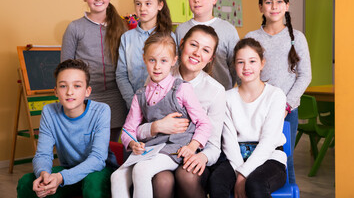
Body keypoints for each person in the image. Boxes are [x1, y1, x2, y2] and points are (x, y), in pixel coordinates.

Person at [111, 32, 211, 198]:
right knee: (116, 177)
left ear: (173, 61)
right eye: (152, 60)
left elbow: (204, 123)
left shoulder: (181, 89)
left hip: (174, 150)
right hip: (150, 150)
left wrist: (192, 146)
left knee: (142, 170)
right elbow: (128, 130)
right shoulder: (140, 94)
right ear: (144, 59)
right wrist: (132, 144)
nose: (157, 66)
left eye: (163, 61)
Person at [137, 25, 226, 198]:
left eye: (205, 50)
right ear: (182, 44)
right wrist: (157, 126)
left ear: (210, 58)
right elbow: (139, 128)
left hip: (195, 154)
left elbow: (214, 145)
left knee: (187, 175)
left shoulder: (216, 91)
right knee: (162, 180)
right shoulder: (159, 74)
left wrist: (203, 157)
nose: (197, 53)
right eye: (193, 45)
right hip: (161, 151)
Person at [17, 59, 117, 198]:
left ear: (87, 91)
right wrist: (44, 174)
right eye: (63, 86)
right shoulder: (49, 112)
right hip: (68, 170)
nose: (69, 92)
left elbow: (98, 159)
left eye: (77, 86)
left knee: (93, 185)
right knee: (26, 182)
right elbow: (43, 155)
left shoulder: (101, 111)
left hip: (98, 171)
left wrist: (61, 177)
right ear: (56, 91)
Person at [245, 0, 312, 184]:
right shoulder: (251, 37)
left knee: (284, 159)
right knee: (256, 158)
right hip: (257, 110)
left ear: (287, 6)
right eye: (268, 2)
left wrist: (286, 105)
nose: (274, 6)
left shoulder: (296, 37)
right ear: (260, 8)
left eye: (279, 1)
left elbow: (305, 75)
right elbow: (246, 74)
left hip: (287, 112)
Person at [209, 38, 287, 198]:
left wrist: (243, 175)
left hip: (270, 158)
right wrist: (239, 172)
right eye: (240, 62)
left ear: (262, 63)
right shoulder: (227, 97)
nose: (246, 67)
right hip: (235, 158)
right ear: (234, 65)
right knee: (216, 182)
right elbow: (229, 142)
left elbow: (268, 142)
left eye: (252, 61)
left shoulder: (275, 95)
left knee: (255, 184)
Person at [61, 0, 128, 141]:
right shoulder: (75, 27)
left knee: (109, 147)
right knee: (87, 144)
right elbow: (65, 67)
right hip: (87, 96)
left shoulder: (122, 27)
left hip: (116, 96)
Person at [116, 0, 175, 110]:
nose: (142, 8)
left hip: (162, 106)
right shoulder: (126, 38)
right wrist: (133, 102)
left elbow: (174, 73)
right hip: (133, 105)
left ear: (160, 5)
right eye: (138, 4)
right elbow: (121, 75)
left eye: (148, 4)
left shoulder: (169, 37)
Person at [175, 0, 240, 90]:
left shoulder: (228, 30)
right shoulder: (181, 30)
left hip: (222, 93)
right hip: (186, 93)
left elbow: (235, 67)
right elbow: (177, 63)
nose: (196, 0)